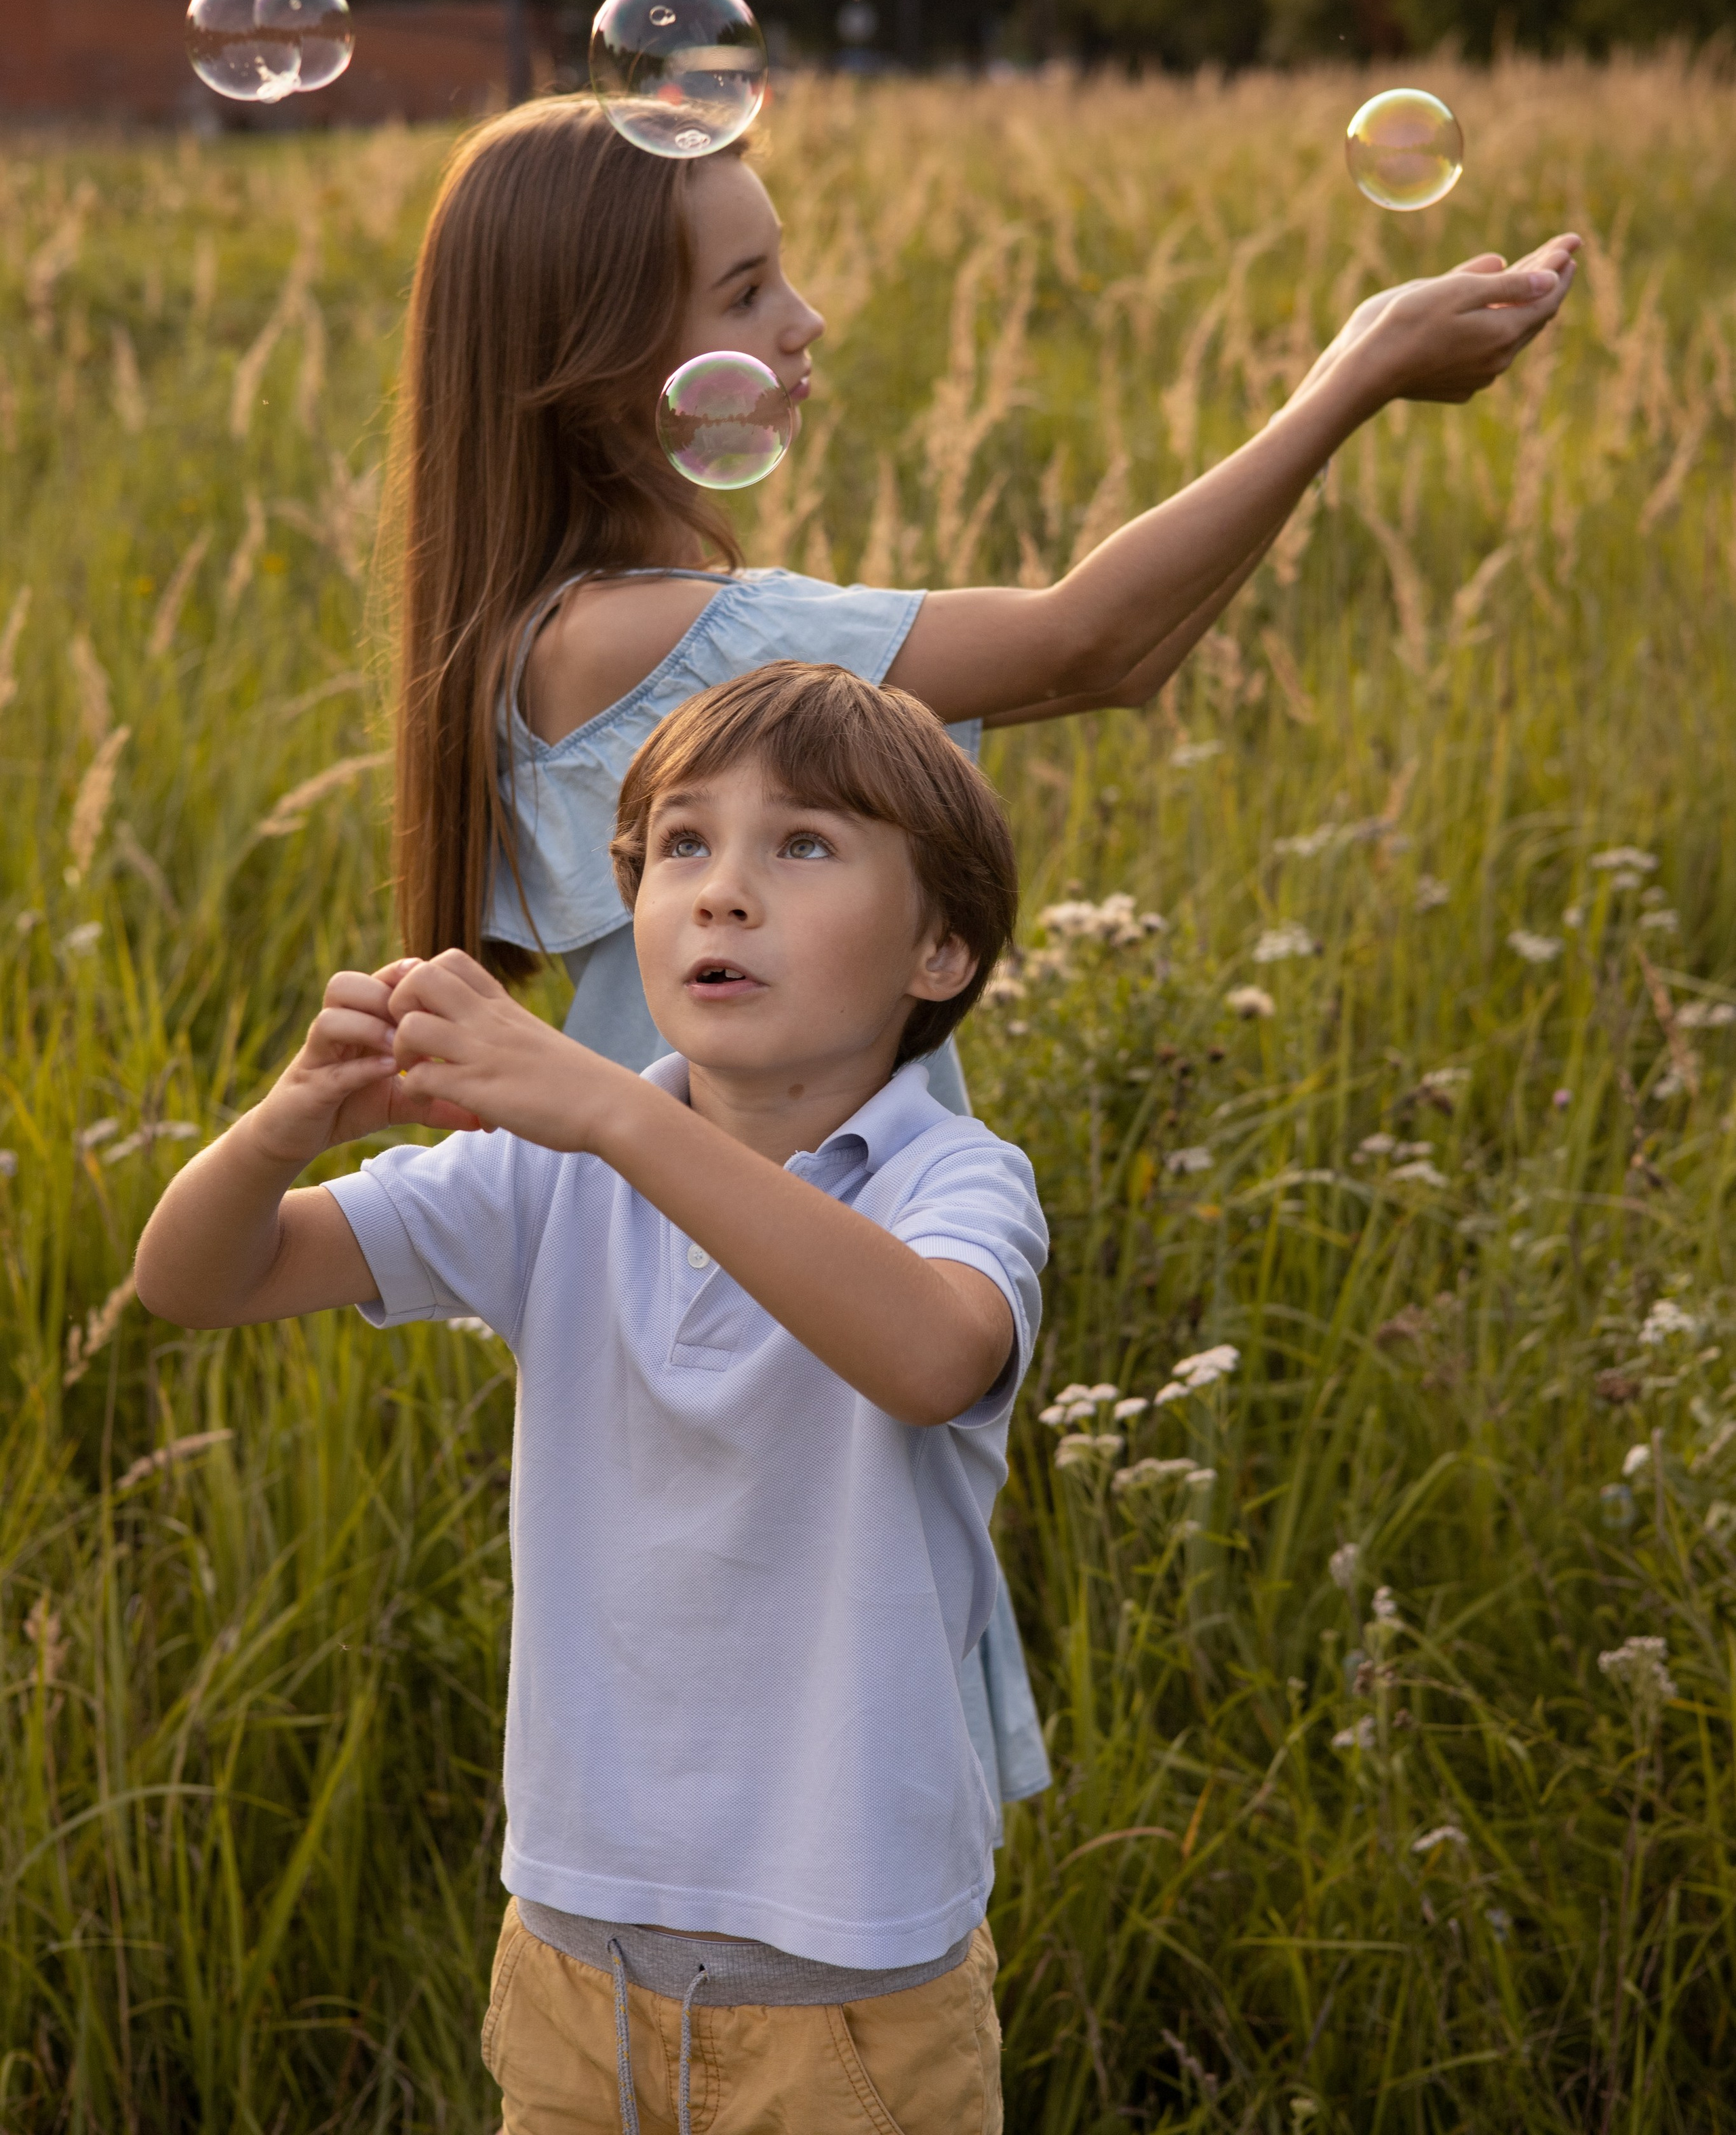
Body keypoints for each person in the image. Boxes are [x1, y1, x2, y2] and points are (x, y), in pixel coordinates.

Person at [383, 98, 1578, 1821]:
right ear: (594, 364)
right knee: (831, 1778)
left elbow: (1125, 655)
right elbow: (1089, 636)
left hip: (741, 1284)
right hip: (792, 1277)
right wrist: (1355, 370)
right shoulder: (645, 635)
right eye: (742, 292)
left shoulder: (535, 631)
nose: (799, 325)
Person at [136, 663, 1048, 2135]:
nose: (722, 892)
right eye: (680, 844)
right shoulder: (552, 1174)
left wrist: (608, 1107)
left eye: (801, 845)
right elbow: (199, 1276)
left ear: (939, 948)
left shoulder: (951, 1180)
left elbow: (931, 1354)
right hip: (572, 1951)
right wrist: (282, 1125)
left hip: (852, 1989)